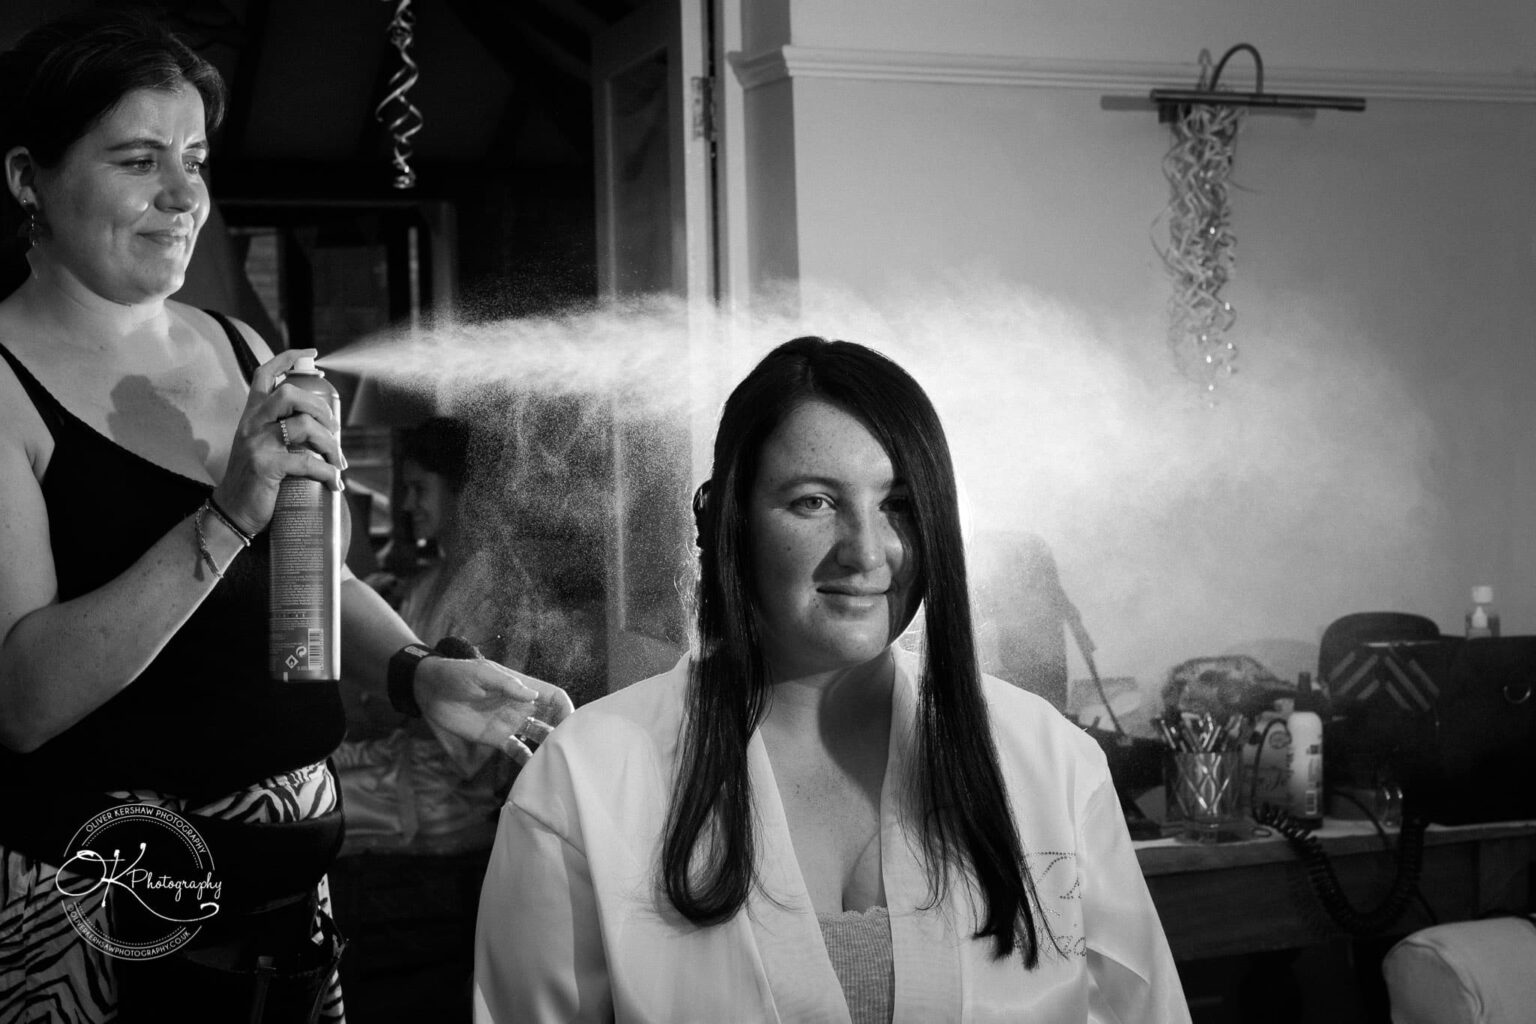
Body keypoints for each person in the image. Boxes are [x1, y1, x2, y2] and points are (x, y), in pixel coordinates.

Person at [0, 11, 571, 1023]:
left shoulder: (232, 340)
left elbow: (311, 583)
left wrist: (414, 670)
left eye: (195, 159)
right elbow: (26, 695)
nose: (185, 198)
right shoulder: (3, 383)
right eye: (139, 160)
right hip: (99, 923)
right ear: (25, 178)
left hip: (292, 906)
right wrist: (225, 513)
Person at [474, 337, 1190, 1021]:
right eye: (814, 502)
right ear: (730, 520)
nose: (866, 552)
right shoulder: (584, 784)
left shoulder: (1052, 765)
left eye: (899, 506)